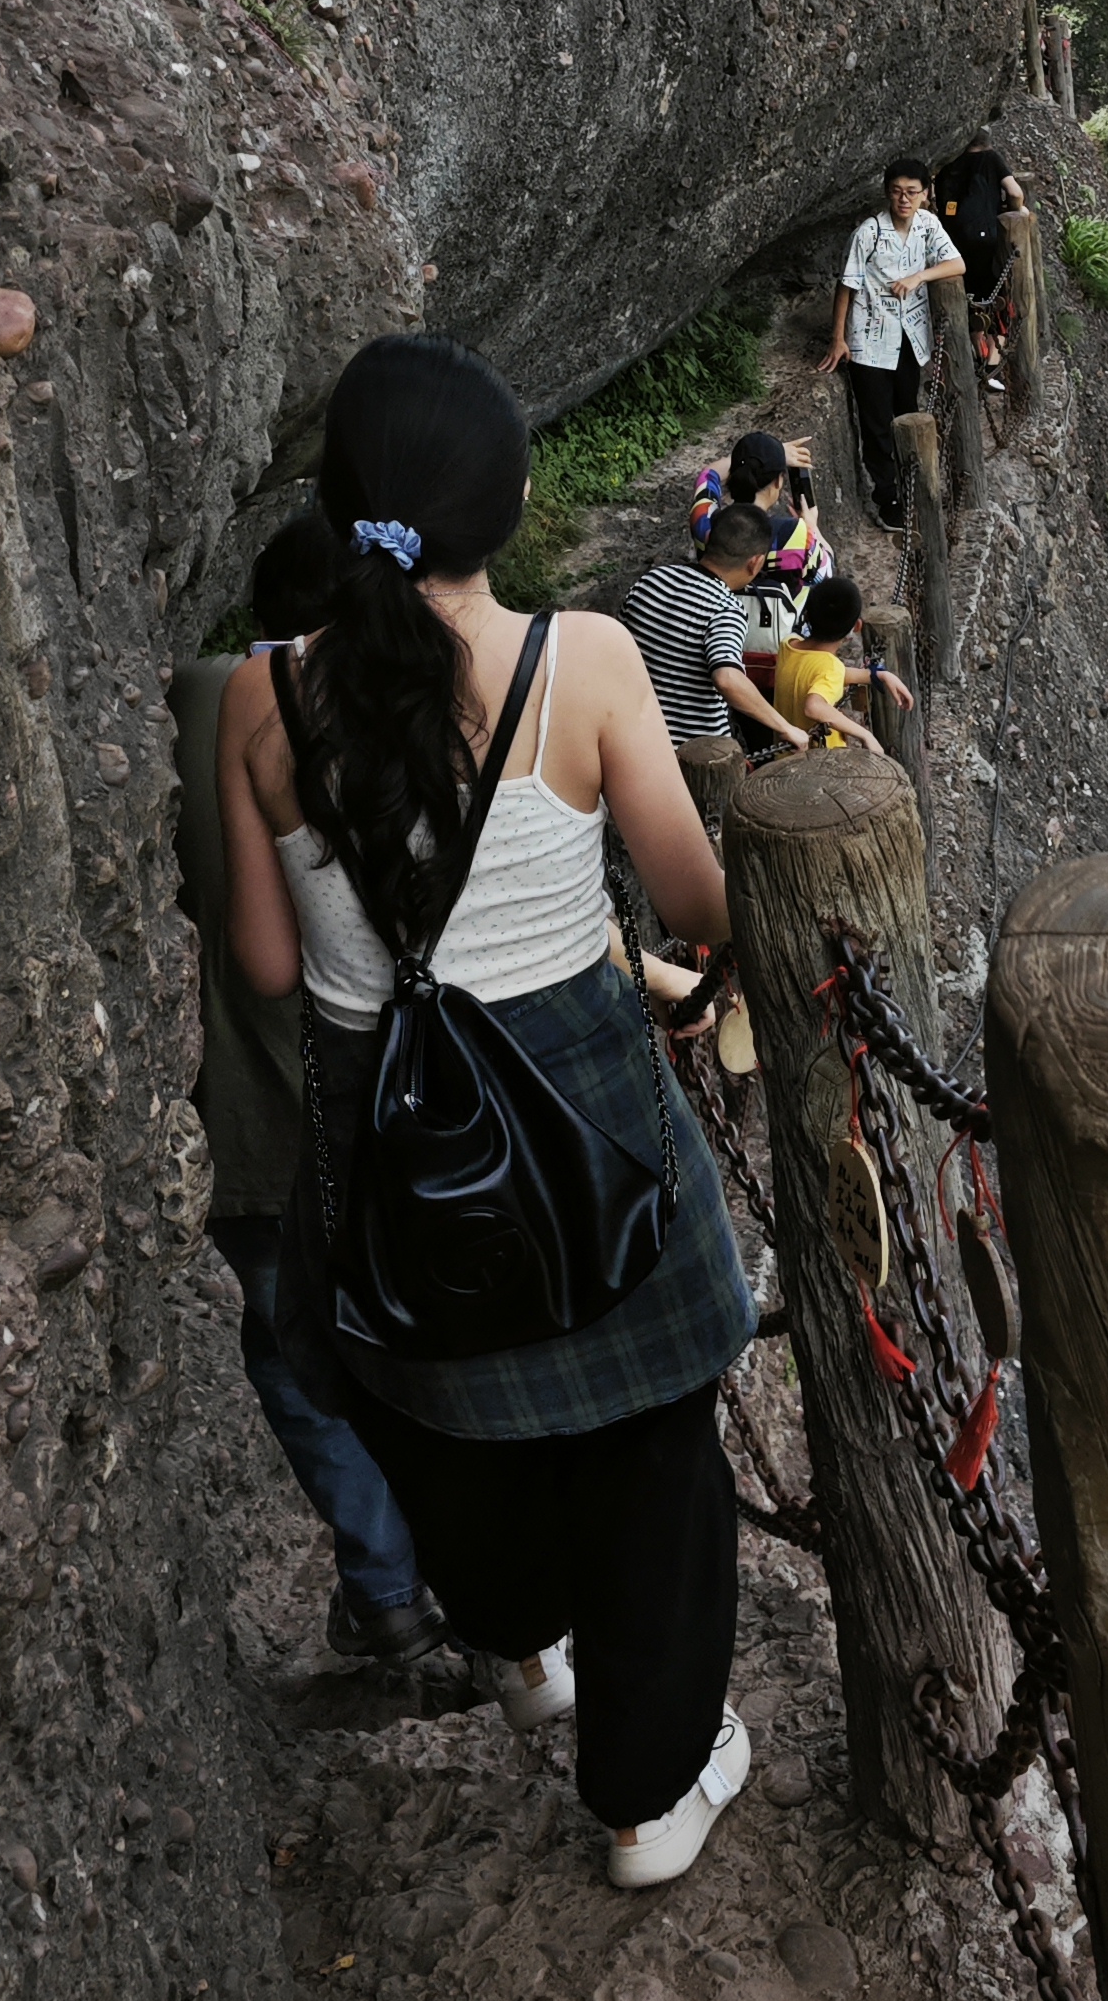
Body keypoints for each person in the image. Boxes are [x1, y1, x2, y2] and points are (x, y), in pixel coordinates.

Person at [215, 335, 763, 1890]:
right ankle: (650, 1800)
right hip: (577, 1108)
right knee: (656, 1459)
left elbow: (266, 961)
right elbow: (691, 893)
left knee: (437, 1415)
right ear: (502, 512)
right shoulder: (576, 663)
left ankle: (524, 1656)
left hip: (373, 1129)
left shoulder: (261, 698)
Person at [170, 509, 443, 1668]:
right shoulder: (422, 705)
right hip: (402, 1099)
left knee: (291, 1347)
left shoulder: (199, 697)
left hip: (251, 1103)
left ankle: (386, 1588)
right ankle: (479, 1582)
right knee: (422, 1331)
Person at [821, 158, 963, 528]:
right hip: (870, 339)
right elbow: (847, 285)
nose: (904, 199)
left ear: (925, 194)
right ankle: (888, 498)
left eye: (912, 192)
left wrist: (919, 276)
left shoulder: (928, 225)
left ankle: (911, 483)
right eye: (898, 191)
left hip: (910, 338)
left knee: (906, 411)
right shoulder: (868, 233)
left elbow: (956, 264)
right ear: (887, 192)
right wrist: (838, 339)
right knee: (877, 423)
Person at [621, 505, 810, 756]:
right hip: (693, 755)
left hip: (630, 733)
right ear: (756, 563)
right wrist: (785, 727)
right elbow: (727, 679)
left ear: (710, 539)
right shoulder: (725, 609)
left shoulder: (651, 580)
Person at [686, 428, 824, 688]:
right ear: (778, 482)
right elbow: (824, 570)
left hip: (716, 649)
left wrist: (773, 453)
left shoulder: (707, 526)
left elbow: (709, 474)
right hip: (778, 657)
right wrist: (813, 527)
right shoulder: (795, 533)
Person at [934, 125, 1027, 386]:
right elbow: (1015, 192)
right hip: (986, 242)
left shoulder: (948, 163)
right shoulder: (991, 159)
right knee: (999, 300)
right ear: (987, 141)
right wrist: (1016, 213)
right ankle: (992, 367)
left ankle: (977, 357)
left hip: (953, 242)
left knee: (972, 301)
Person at [771, 574, 886, 755]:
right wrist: (865, 735)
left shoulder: (789, 645)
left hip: (784, 759)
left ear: (807, 615)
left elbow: (815, 674)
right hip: (822, 763)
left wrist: (876, 675)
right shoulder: (830, 667)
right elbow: (814, 706)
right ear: (856, 626)